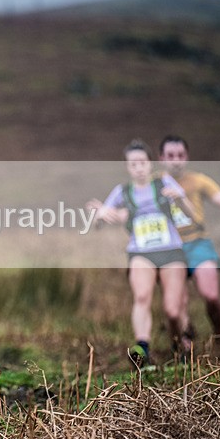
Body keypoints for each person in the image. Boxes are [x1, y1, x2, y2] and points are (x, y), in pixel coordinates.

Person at [88, 139, 195, 368]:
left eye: (142, 162)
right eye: (133, 163)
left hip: (171, 251)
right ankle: (142, 349)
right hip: (140, 252)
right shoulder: (122, 192)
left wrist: (178, 199)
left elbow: (191, 213)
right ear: (127, 166)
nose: (138, 167)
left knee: (172, 310)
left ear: (150, 163)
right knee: (142, 297)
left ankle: (179, 345)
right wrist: (100, 216)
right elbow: (100, 220)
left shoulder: (164, 183)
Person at [158, 135, 220, 342]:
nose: (176, 160)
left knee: (211, 295)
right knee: (178, 304)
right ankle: (184, 347)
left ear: (187, 156)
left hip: (197, 243)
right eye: (170, 155)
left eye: (180, 155)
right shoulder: (154, 184)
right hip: (169, 248)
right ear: (161, 157)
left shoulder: (198, 181)